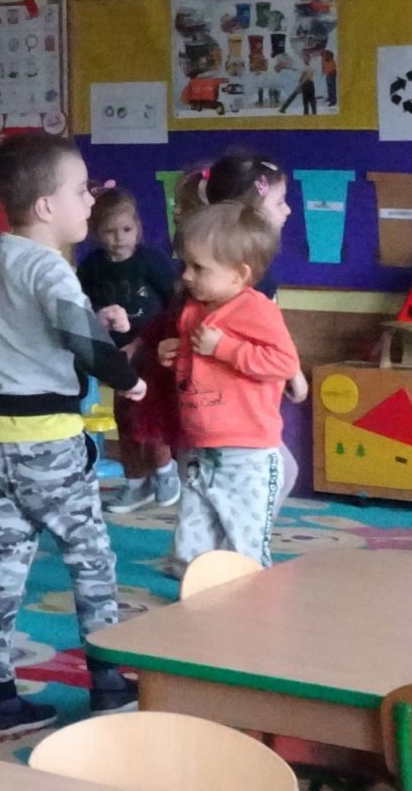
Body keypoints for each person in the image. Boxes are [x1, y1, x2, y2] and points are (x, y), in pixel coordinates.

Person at [0, 134, 146, 734]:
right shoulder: (51, 266)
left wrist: (95, 322)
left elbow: (41, 331)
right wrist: (128, 378)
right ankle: (108, 682)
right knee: (91, 558)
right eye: (81, 190)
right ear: (47, 206)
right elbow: (80, 341)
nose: (92, 200)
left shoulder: (8, 254)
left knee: (2, 568)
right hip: (46, 440)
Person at [158, 201, 303, 568]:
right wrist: (174, 353)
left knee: (242, 545)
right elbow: (198, 363)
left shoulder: (256, 309)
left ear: (239, 274)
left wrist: (225, 348)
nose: (186, 276)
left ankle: (245, 596)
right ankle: (196, 589)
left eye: (198, 267)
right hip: (201, 446)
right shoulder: (195, 308)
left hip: (248, 452)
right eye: (185, 265)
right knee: (190, 544)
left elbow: (284, 363)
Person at [181, 150, 308, 507]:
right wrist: (293, 372)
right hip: (225, 411)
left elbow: (268, 337)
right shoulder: (234, 281)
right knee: (273, 473)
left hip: (236, 406)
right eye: (279, 202)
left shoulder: (241, 276)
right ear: (250, 211)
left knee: (272, 475)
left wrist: (291, 371)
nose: (288, 211)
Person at [78, 189, 179, 513]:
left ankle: (165, 470)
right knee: (125, 416)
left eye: (126, 229)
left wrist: (148, 342)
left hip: (152, 351)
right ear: (96, 232)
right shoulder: (92, 266)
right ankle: (136, 483)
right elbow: (81, 306)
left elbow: (175, 305)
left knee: (149, 412)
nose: (119, 238)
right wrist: (99, 319)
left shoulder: (152, 261)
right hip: (117, 356)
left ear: (138, 228)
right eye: (109, 231)